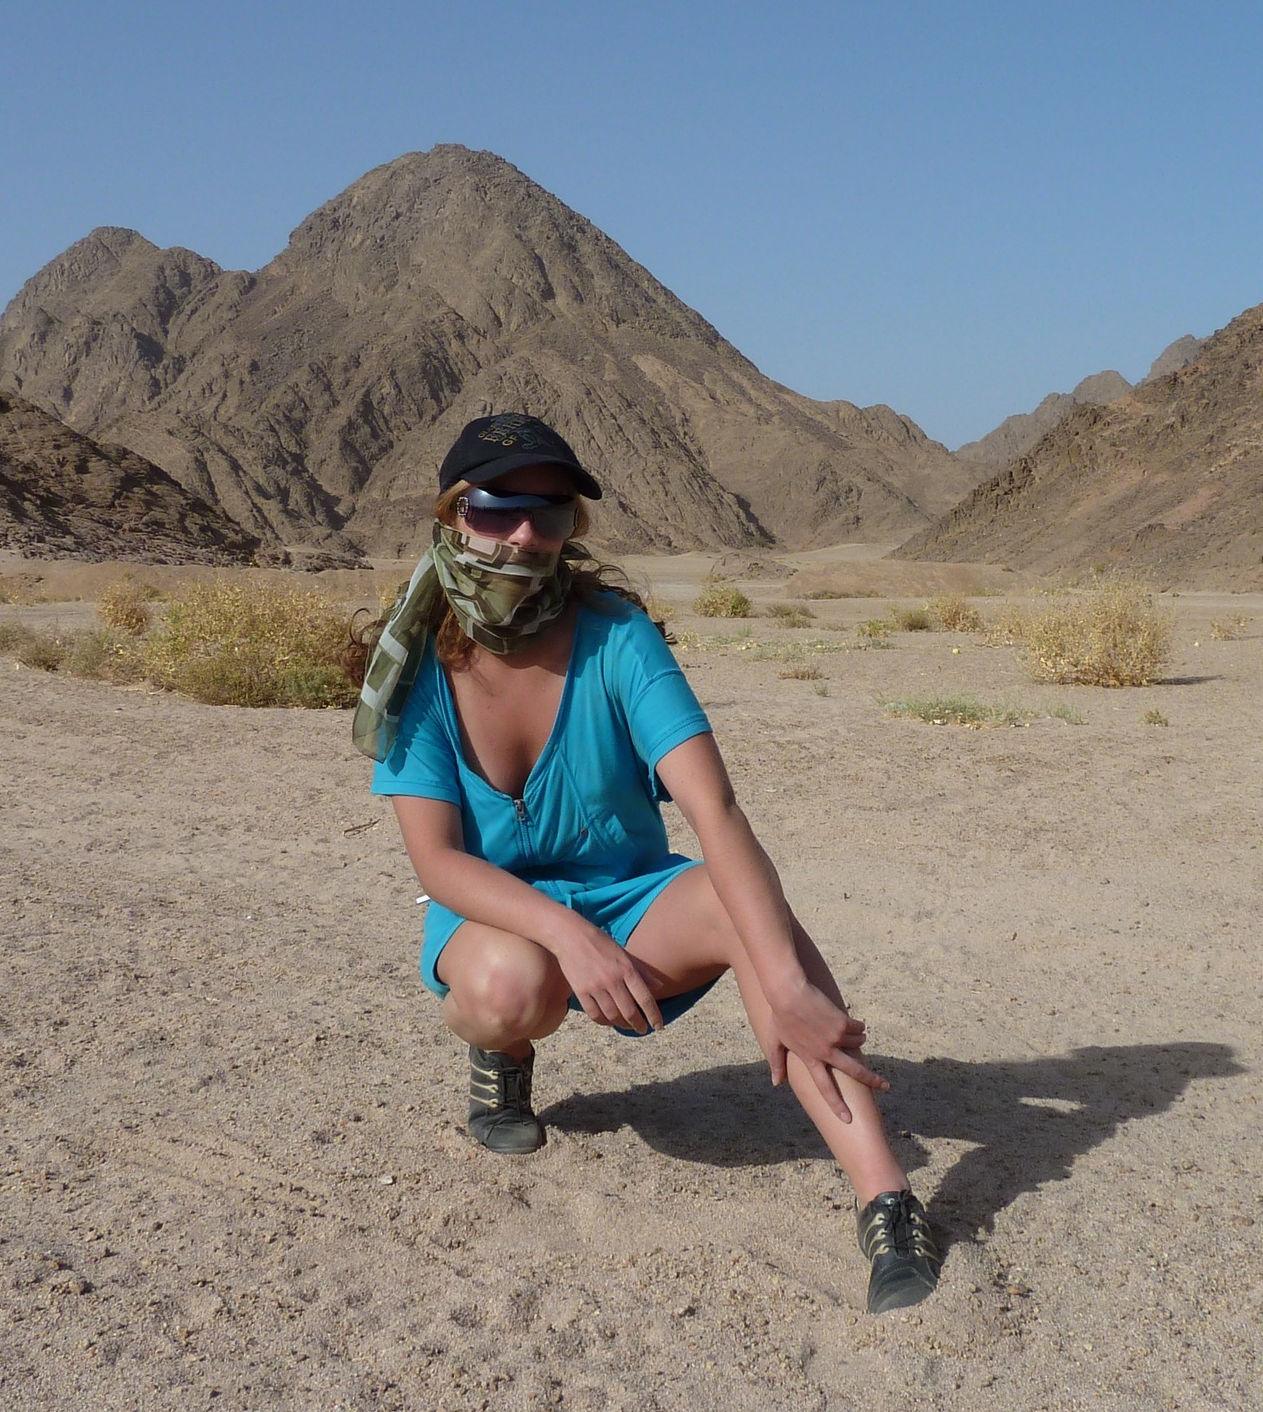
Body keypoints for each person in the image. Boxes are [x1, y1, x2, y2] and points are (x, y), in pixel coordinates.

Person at [350, 412, 941, 1314]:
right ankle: (503, 1058)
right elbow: (437, 861)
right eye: (499, 508)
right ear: (453, 515)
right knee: (511, 986)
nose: (524, 535)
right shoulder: (419, 664)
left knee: (754, 921)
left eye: (551, 514)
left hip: (631, 898)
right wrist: (565, 934)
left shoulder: (618, 637)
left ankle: (886, 1201)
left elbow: (716, 812)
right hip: (497, 918)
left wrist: (783, 981)